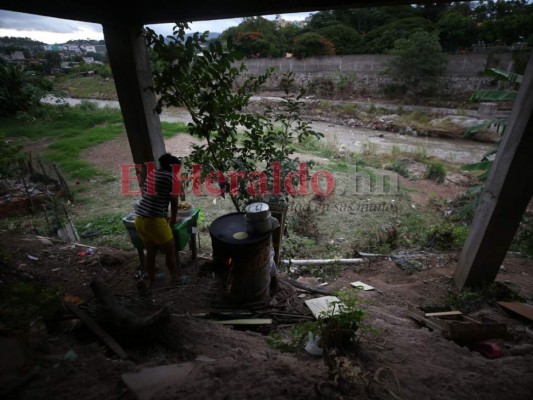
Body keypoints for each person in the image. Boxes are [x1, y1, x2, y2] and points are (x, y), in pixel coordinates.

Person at [134, 153, 181, 287]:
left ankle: (153, 280)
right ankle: (175, 278)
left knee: (150, 251)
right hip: (154, 221)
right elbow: (174, 202)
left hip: (140, 220)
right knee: (170, 249)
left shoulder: (152, 174)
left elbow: (153, 197)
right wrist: (172, 219)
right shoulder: (172, 178)